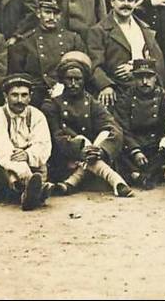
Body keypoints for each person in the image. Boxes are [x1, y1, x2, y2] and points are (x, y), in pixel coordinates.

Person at [41, 51, 132, 197]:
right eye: (69, 79)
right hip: (67, 159)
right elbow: (56, 137)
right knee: (81, 140)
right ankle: (116, 181)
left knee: (105, 133)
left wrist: (101, 150)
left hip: (91, 155)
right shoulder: (51, 105)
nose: (73, 84)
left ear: (84, 80)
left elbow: (112, 127)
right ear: (62, 80)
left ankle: (72, 182)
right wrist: (80, 150)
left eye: (78, 79)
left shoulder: (92, 103)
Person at [86, 0, 165, 105]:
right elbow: (94, 65)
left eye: (130, 0)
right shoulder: (99, 31)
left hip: (146, 88)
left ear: (135, 3)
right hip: (117, 90)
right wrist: (106, 86)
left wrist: (136, 68)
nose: (126, 4)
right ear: (112, 2)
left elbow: (158, 62)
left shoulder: (144, 29)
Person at [0, 72, 52, 210]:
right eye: (14, 95)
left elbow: (43, 144)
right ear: (5, 96)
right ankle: (30, 191)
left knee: (41, 167)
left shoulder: (37, 116)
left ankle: (31, 192)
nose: (19, 100)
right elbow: (2, 149)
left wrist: (28, 155)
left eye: (24, 95)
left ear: (30, 97)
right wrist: (24, 171)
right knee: (9, 173)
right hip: (6, 166)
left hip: (32, 164)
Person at [112, 59, 165, 189]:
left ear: (155, 77)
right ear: (133, 78)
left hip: (156, 146)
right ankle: (147, 175)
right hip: (133, 146)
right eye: (140, 77)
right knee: (115, 145)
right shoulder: (125, 99)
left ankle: (140, 175)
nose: (145, 82)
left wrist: (164, 142)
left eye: (149, 77)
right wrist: (135, 150)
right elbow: (121, 127)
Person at [7, 0, 86, 107]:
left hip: (68, 92)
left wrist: (64, 86)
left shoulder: (73, 39)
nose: (52, 17)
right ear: (39, 13)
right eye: (47, 12)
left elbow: (83, 70)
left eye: (56, 13)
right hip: (35, 97)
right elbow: (17, 75)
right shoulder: (25, 42)